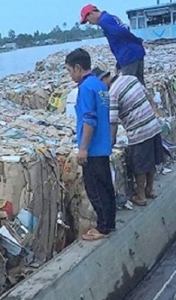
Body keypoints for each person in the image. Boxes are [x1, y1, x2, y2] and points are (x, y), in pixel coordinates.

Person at [93, 65, 163, 207]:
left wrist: (110, 142)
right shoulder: (131, 78)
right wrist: (154, 111)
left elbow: (113, 122)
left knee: (140, 165)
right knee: (150, 161)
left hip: (139, 131)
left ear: (103, 80)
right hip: (152, 124)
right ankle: (150, 189)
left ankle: (141, 196)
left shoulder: (112, 93)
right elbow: (147, 95)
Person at [65, 48, 116, 240]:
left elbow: (89, 119)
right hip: (103, 145)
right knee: (106, 187)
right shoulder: (100, 85)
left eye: (69, 71)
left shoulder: (85, 88)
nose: (70, 75)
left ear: (78, 68)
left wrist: (83, 148)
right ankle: (109, 223)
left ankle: (102, 228)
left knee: (95, 190)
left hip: (93, 149)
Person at [80, 4, 146, 85]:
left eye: (88, 20)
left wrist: (137, 41)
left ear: (91, 14)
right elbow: (122, 34)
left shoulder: (103, 21)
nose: (90, 23)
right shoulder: (109, 17)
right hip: (135, 52)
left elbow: (121, 33)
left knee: (129, 86)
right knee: (140, 84)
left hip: (128, 56)